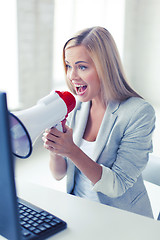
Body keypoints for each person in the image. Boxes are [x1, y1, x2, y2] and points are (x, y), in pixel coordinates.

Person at [42, 26, 156, 218]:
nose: (72, 76)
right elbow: (59, 174)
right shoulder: (76, 108)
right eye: (69, 66)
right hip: (79, 212)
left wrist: (71, 150)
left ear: (105, 67)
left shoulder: (139, 113)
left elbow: (117, 185)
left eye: (82, 67)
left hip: (120, 219)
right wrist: (56, 149)